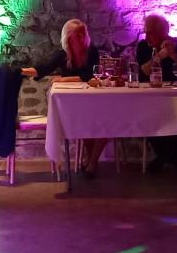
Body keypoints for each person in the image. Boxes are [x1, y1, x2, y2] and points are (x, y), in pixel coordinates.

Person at [21, 19, 110, 177]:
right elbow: (43, 68)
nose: (81, 38)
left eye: (83, 33)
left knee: (105, 121)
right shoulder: (62, 54)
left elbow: (90, 76)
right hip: (74, 103)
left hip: (94, 100)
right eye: (77, 35)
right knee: (84, 121)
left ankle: (92, 161)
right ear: (68, 38)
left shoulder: (92, 51)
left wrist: (64, 79)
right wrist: (19, 71)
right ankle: (91, 160)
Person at [135, 14, 177, 172]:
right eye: (145, 32)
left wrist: (173, 55)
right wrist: (159, 56)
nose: (146, 36)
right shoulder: (143, 46)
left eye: (150, 32)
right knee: (146, 117)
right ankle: (170, 156)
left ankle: (163, 156)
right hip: (151, 99)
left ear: (162, 32)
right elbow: (141, 74)